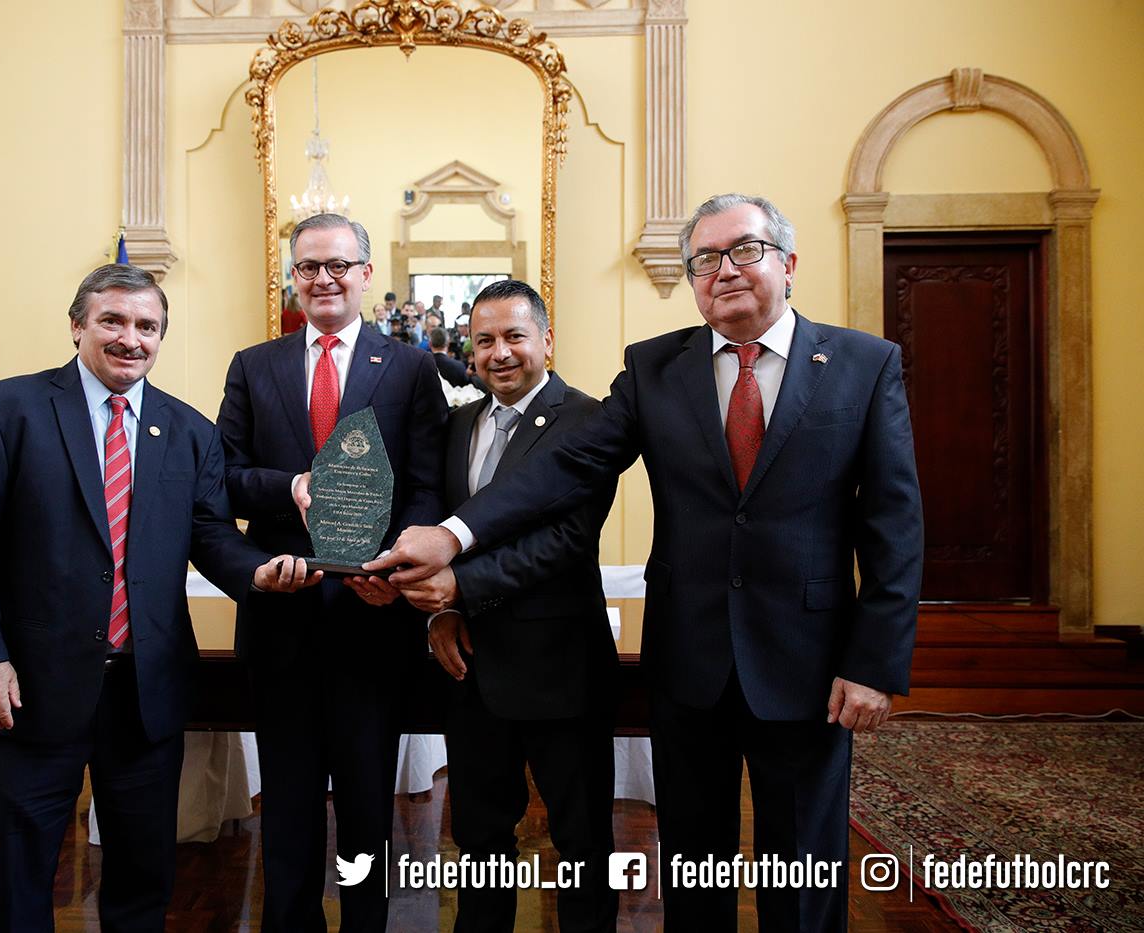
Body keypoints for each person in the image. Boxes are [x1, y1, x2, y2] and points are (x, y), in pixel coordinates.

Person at [369, 193, 924, 932]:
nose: (724, 270)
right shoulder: (657, 367)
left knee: (803, 862)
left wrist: (876, 661)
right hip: (689, 659)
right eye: (704, 259)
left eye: (745, 251)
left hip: (808, 661)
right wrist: (456, 533)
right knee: (694, 862)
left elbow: (894, 523)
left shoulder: (864, 363)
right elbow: (567, 466)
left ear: (788, 263)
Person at [0, 264, 318, 931]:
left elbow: (209, 534)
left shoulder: (190, 431)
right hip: (25, 690)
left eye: (147, 326)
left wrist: (256, 573)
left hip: (146, 695)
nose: (130, 338)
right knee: (20, 879)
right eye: (113, 320)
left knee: (143, 880)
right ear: (78, 324)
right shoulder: (4, 411)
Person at [217, 213, 448, 932]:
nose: (324, 278)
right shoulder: (253, 365)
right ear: (294, 274)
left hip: (372, 615)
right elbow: (221, 477)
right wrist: (289, 486)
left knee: (366, 797)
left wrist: (400, 565)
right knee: (285, 800)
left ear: (366, 275)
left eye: (339, 265)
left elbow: (426, 484)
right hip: (281, 615)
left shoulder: (410, 367)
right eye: (310, 266)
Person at [403, 280, 619, 932]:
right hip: (470, 671)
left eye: (514, 336)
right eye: (485, 339)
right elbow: (443, 531)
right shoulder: (459, 422)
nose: (499, 353)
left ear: (546, 340)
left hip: (562, 670)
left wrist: (461, 590)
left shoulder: (588, 420)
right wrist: (441, 613)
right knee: (479, 842)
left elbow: (567, 538)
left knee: (582, 843)